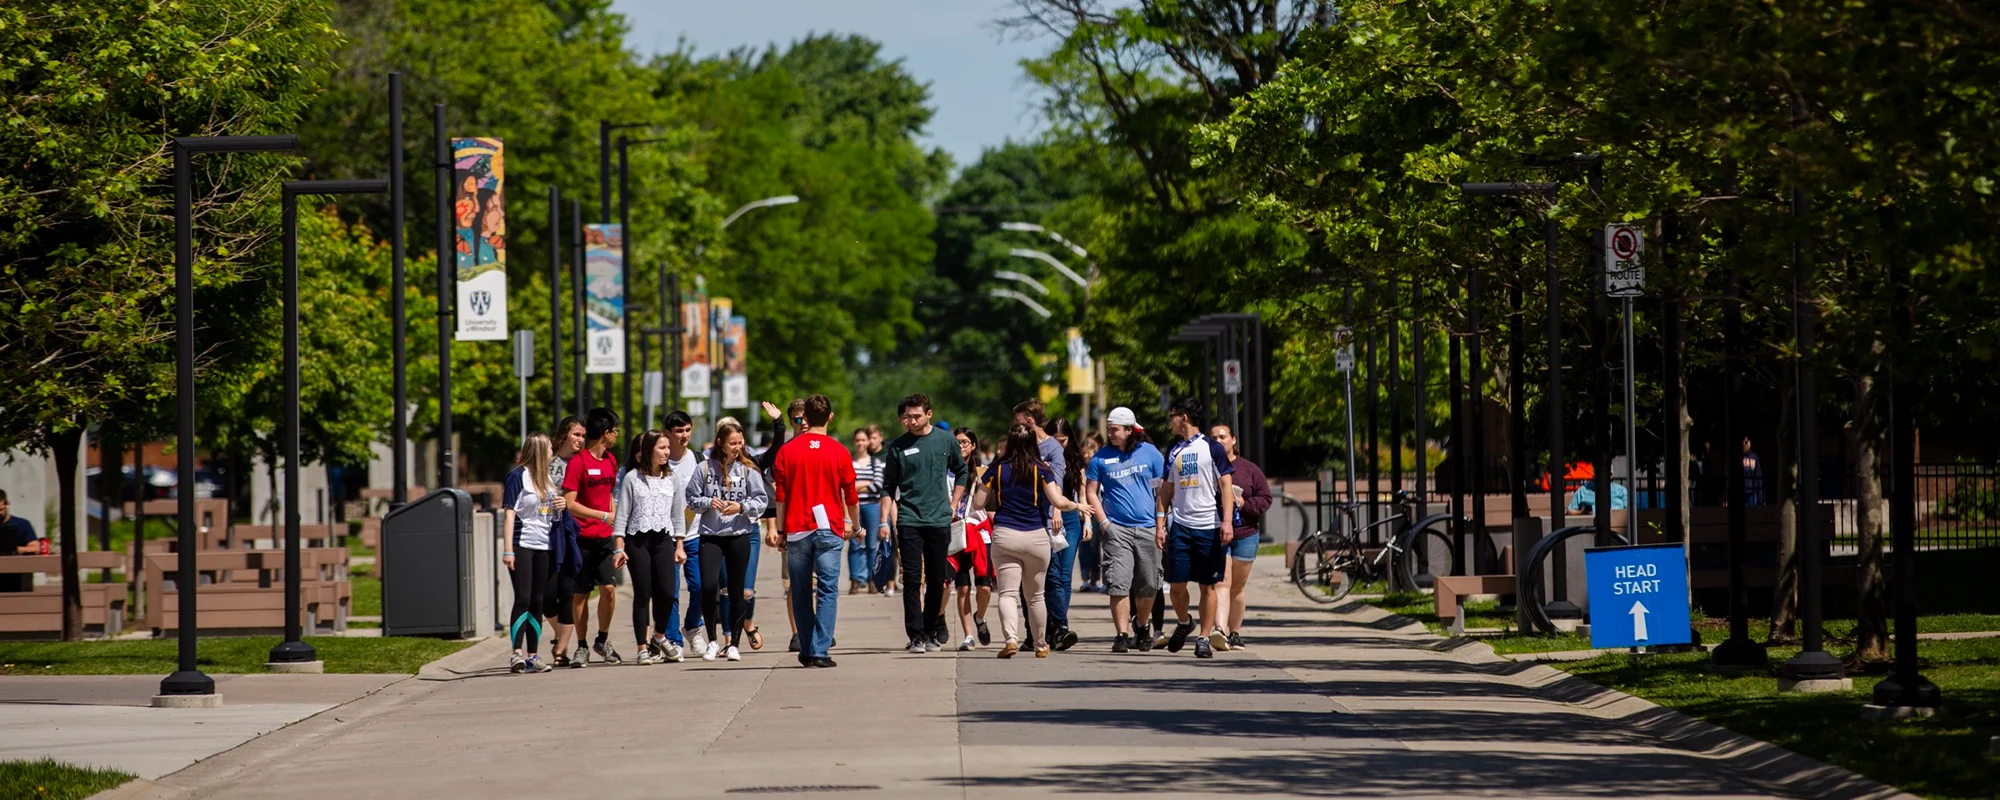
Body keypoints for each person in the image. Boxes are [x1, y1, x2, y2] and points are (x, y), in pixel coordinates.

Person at [976, 423, 1084, 658]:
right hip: (1036, 537)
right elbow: (1059, 501)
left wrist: (981, 484)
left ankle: (1011, 640)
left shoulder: (997, 469)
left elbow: (978, 504)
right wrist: (1079, 505)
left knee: (1007, 593)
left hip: (1005, 535)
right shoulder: (1042, 469)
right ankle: (1041, 643)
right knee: (1036, 596)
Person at [768, 394, 859, 668]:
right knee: (828, 590)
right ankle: (820, 648)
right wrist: (855, 524)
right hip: (828, 527)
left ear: (805, 417)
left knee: (800, 589)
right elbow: (851, 495)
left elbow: (780, 497)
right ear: (830, 417)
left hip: (796, 527)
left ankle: (807, 646)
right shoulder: (839, 451)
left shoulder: (787, 451)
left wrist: (781, 530)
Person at [878, 393, 972, 653]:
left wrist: (954, 504)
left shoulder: (945, 441)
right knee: (910, 578)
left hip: (939, 519)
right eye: (907, 416)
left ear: (928, 414)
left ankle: (930, 629)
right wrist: (884, 520)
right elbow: (888, 486)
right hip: (908, 518)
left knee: (937, 578)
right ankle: (915, 634)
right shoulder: (897, 446)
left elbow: (961, 470)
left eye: (916, 415)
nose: (911, 420)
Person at [1157, 398, 1233, 659]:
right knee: (1176, 586)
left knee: (1207, 585)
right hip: (1181, 526)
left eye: (1173, 416)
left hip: (1208, 526)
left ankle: (1203, 637)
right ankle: (1184, 622)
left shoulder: (1212, 448)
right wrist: (1160, 523)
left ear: (1184, 418)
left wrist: (1226, 522)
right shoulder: (1173, 450)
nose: (1171, 421)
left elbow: (1225, 485)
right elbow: (1166, 488)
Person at [687, 420, 769, 661]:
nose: (737, 447)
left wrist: (741, 507)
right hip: (710, 536)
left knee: (736, 590)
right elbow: (691, 497)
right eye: (733, 443)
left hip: (738, 536)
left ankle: (734, 642)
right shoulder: (704, 468)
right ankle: (712, 640)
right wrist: (706, 502)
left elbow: (761, 501)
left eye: (740, 443)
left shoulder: (748, 469)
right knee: (709, 586)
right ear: (721, 443)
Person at [1085, 407, 1165, 653]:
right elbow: (1091, 492)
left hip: (1148, 528)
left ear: (1130, 430)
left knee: (1149, 584)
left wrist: (1161, 521)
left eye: (1115, 429)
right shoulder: (1100, 458)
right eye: (1108, 429)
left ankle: (1142, 626)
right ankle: (1121, 634)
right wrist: (1104, 523)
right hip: (1117, 530)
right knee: (1119, 583)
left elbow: (1163, 489)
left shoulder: (1149, 453)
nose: (1110, 434)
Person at [614, 429, 690, 664]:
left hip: (664, 541)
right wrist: (618, 546)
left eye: (668, 448)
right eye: (662, 448)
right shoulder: (632, 478)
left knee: (667, 593)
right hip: (638, 541)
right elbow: (622, 515)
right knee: (642, 594)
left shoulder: (672, 479)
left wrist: (680, 545)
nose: (667, 452)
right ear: (649, 450)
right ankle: (642, 648)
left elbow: (678, 514)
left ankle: (658, 637)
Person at [563, 407, 628, 665]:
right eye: (615, 431)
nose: (617, 436)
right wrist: (601, 516)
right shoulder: (579, 463)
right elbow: (569, 503)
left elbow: (610, 496)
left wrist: (614, 523)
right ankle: (581, 646)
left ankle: (602, 639)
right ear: (605, 433)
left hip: (604, 538)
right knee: (580, 594)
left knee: (609, 589)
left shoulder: (611, 461)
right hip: (581, 538)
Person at [500, 434, 565, 672]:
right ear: (539, 451)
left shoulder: (547, 479)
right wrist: (508, 550)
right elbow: (509, 514)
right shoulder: (518, 477)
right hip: (522, 544)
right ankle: (516, 654)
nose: (552, 453)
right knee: (523, 599)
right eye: (549, 449)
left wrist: (561, 506)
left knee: (538, 601)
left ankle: (533, 654)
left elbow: (550, 513)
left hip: (544, 546)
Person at [1211, 423, 1270, 651]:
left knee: (1237, 586)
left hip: (1246, 533)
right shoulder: (1207, 468)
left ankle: (1235, 632)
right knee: (1221, 583)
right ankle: (1219, 630)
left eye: (1223, 437)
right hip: (1218, 532)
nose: (1218, 441)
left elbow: (1265, 499)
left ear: (1233, 440)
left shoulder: (1249, 469)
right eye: (1214, 437)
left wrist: (1245, 504)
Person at [653, 412, 707, 656]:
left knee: (701, 587)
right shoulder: (658, 462)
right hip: (666, 536)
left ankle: (693, 626)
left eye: (687, 430)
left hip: (694, 534)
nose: (684, 435)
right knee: (670, 591)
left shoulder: (698, 459)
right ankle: (673, 640)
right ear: (667, 433)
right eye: (678, 431)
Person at [1041, 418, 1090, 651]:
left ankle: (1060, 624)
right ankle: (1055, 624)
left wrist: (1087, 521)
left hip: (1070, 519)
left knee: (1065, 574)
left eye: (1063, 440)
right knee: (1052, 574)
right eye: (1055, 440)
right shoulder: (1041, 457)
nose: (1059, 445)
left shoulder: (1074, 459)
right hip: (1046, 516)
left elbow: (1081, 493)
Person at [546, 416, 587, 666]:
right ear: (564, 435)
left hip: (575, 533)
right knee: (545, 594)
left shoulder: (583, 463)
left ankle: (561, 651)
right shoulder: (548, 462)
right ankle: (558, 633)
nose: (580, 440)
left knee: (567, 591)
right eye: (576, 435)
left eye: (583, 436)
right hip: (548, 531)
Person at [948, 427, 993, 650]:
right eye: (957, 442)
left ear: (973, 445)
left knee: (985, 586)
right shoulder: (946, 472)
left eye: (965, 442)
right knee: (963, 587)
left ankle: (980, 617)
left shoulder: (984, 472)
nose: (961, 447)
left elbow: (990, 507)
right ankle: (967, 635)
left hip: (980, 532)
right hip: (956, 532)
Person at [849, 428, 882, 594]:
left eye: (863, 440)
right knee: (854, 544)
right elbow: (846, 487)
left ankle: (871, 579)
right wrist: (865, 484)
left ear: (868, 442)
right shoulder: (849, 461)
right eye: (857, 440)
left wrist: (856, 486)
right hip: (854, 507)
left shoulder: (875, 462)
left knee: (872, 544)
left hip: (872, 506)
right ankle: (855, 580)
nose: (860, 443)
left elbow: (877, 485)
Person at [1077, 430, 1107, 594]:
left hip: (1100, 510)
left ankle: (1097, 577)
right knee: (1085, 546)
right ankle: (1086, 578)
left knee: (1097, 547)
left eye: (1091, 450)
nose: (1087, 455)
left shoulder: (1102, 465)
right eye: (1084, 452)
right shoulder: (1081, 469)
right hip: (1083, 510)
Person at [1, 489, 43, 592]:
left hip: (18, 576)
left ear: (7, 504)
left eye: (0, 509)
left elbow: (36, 548)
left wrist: (15, 550)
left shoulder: (22, 524)